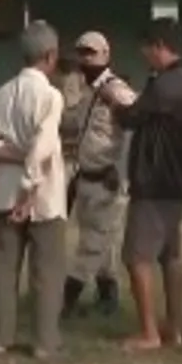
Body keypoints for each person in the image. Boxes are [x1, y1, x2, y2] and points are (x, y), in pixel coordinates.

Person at [103, 17, 182, 352]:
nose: (144, 55)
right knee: (170, 255)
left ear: (159, 46)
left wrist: (114, 103)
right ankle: (173, 328)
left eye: (146, 48)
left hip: (156, 184)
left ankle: (149, 333)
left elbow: (132, 116)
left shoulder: (167, 85)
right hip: (175, 183)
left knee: (136, 256)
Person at [0, 20, 68, 359]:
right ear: (50, 55)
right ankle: (45, 341)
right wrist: (29, 190)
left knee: (4, 268)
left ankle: (1, 337)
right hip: (41, 195)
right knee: (47, 271)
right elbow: (43, 148)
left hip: (4, 189)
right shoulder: (50, 96)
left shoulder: (0, 95)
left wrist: (8, 152)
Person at [60, 31, 136, 317]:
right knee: (105, 241)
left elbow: (133, 131)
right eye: (82, 53)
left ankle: (67, 299)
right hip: (87, 176)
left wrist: (121, 171)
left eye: (92, 53)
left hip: (108, 178)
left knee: (91, 243)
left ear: (106, 55)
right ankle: (108, 295)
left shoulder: (117, 91)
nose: (86, 58)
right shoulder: (87, 92)